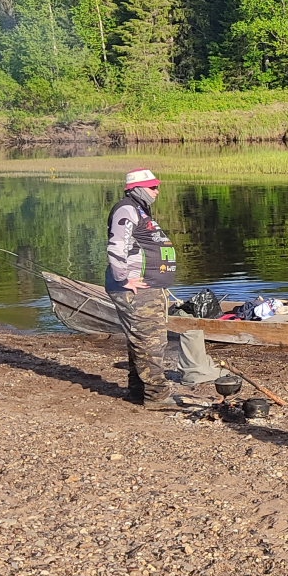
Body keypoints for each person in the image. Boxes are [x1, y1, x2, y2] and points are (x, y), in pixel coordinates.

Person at [105, 169, 184, 410]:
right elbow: (117, 244)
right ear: (137, 189)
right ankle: (157, 396)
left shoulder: (138, 209)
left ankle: (138, 391)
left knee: (140, 339)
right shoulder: (127, 208)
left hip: (148, 289)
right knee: (151, 341)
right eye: (152, 188)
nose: (157, 191)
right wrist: (124, 278)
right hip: (137, 290)